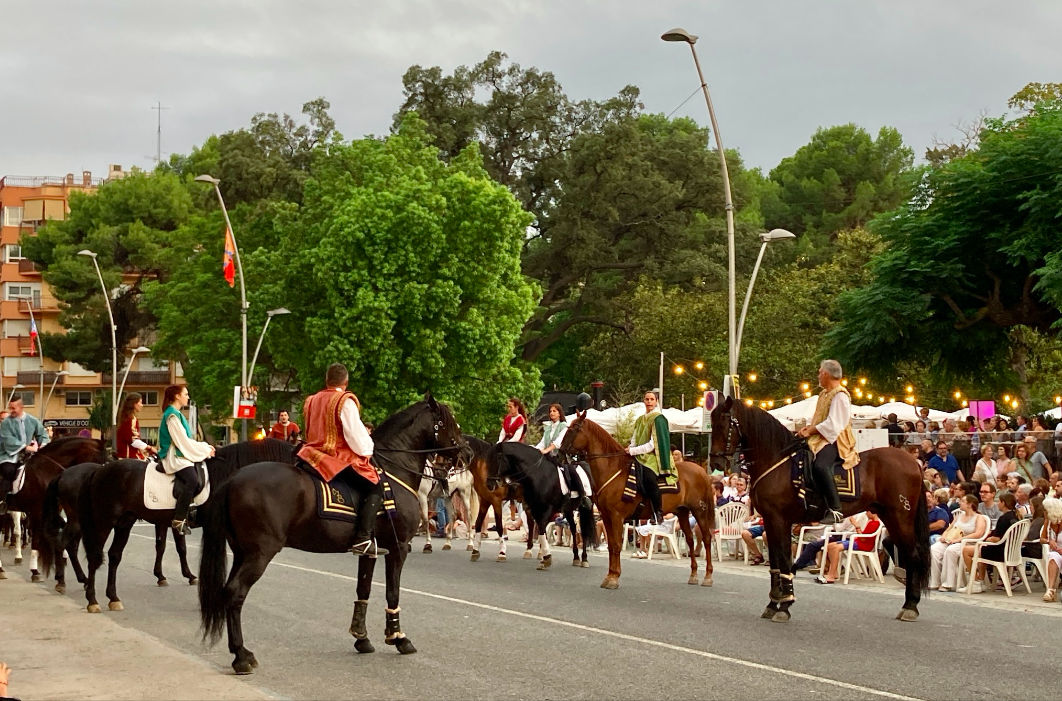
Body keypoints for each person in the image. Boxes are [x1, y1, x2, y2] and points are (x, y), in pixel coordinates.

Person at [297, 363, 387, 558]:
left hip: (309, 454)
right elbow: (355, 435)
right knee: (375, 486)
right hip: (334, 458)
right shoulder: (344, 400)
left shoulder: (311, 400)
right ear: (346, 382)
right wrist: (368, 450)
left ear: (326, 381)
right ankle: (363, 539)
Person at [795, 359, 854, 524]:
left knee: (820, 466)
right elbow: (819, 420)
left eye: (820, 372)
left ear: (826, 374)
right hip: (820, 437)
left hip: (836, 440)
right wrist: (808, 429)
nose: (818, 375)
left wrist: (811, 430)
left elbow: (834, 424)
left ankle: (836, 509)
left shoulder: (840, 395)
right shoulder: (824, 394)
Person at [158, 385, 215, 534]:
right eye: (185, 394)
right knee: (193, 480)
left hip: (180, 453)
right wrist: (205, 450)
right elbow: (182, 441)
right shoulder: (172, 415)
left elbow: (186, 441)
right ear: (177, 396)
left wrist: (205, 447)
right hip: (174, 456)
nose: (188, 397)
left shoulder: (177, 414)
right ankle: (179, 518)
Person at [625, 390, 675, 524]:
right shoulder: (640, 419)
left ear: (656, 401)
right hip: (637, 454)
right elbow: (635, 438)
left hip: (652, 457)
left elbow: (653, 445)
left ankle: (658, 512)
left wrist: (633, 451)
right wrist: (630, 448)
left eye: (652, 399)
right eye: (647, 399)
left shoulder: (658, 419)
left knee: (649, 478)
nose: (649, 402)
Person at [535, 403, 591, 508]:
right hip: (548, 457)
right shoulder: (548, 428)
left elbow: (558, 442)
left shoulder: (564, 426)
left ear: (560, 413)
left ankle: (583, 495)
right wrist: (534, 450)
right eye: (550, 411)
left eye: (554, 411)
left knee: (571, 471)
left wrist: (547, 450)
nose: (552, 413)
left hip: (561, 457)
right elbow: (542, 443)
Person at [929, 494, 989, 591]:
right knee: (934, 549)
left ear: (969, 504)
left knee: (950, 551)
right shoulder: (959, 516)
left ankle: (948, 583)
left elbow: (978, 533)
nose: (959, 503)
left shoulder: (979, 517)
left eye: (963, 501)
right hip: (952, 540)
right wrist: (944, 536)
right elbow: (949, 528)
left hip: (967, 542)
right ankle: (934, 581)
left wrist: (959, 540)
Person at [963, 492, 1019, 593]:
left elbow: (997, 538)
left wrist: (988, 539)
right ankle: (981, 581)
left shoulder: (1004, 518)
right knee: (980, 551)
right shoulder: (1016, 517)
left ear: (1003, 503)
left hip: (999, 551)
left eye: (999, 501)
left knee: (966, 550)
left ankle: (975, 581)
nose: (997, 504)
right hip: (1012, 551)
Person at [815, 507, 882, 584]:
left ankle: (831, 575)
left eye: (867, 511)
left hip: (862, 545)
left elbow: (863, 539)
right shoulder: (872, 522)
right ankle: (834, 572)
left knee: (836, 548)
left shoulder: (874, 524)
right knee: (830, 545)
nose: (866, 513)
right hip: (858, 542)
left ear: (872, 512)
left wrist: (856, 525)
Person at [0, 397, 49, 495]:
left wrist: (43, 445)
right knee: (9, 471)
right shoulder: (6, 423)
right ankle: (3, 498)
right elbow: (8, 439)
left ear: (21, 407)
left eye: (13, 408)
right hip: (9, 455)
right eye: (10, 408)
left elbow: (42, 434)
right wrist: (26, 447)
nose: (11, 411)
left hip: (29, 455)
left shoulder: (33, 420)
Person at [116, 392, 156, 459]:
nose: (142, 405)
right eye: (140, 402)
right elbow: (133, 441)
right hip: (130, 457)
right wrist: (149, 447)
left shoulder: (124, 418)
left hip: (122, 456)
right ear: (134, 404)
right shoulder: (131, 419)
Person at [1037, 497, 1062, 601]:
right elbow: (1041, 538)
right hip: (1056, 552)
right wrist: (1049, 541)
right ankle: (1050, 590)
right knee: (1053, 556)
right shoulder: (1048, 522)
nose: (1044, 513)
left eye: (1046, 510)